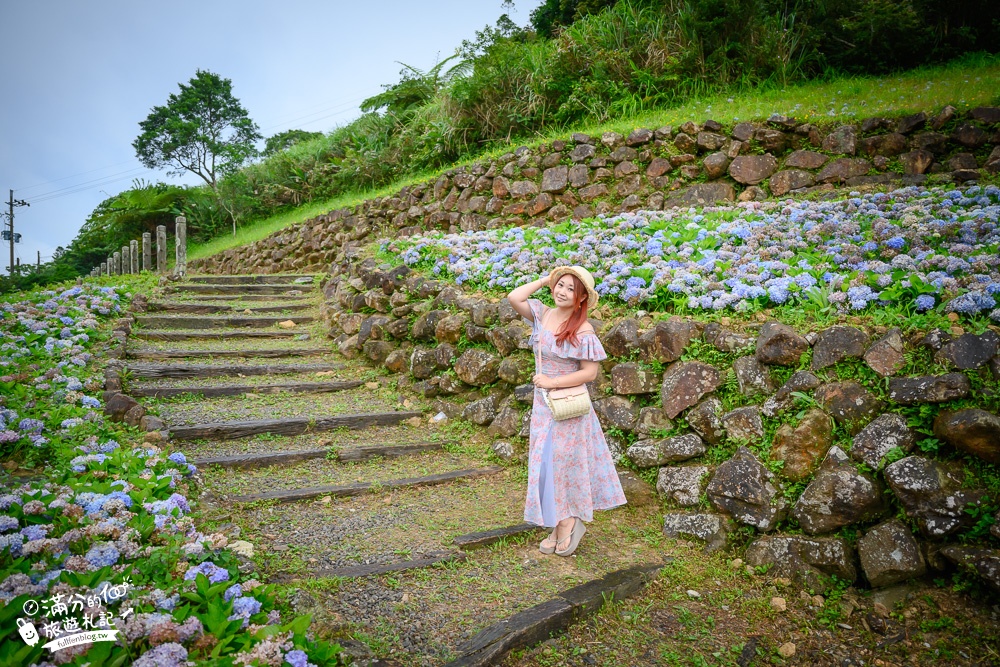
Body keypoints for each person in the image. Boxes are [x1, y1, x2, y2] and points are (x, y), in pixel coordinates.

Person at [507, 266, 627, 557]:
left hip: (567, 407)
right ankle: (560, 521)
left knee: (563, 465)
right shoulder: (542, 314)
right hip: (543, 404)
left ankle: (569, 523)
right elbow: (514, 296)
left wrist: (553, 382)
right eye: (559, 285)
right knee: (544, 466)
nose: (562, 291)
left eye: (571, 288)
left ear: (582, 297)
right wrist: (544, 279)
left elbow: (590, 373)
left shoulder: (582, 329)